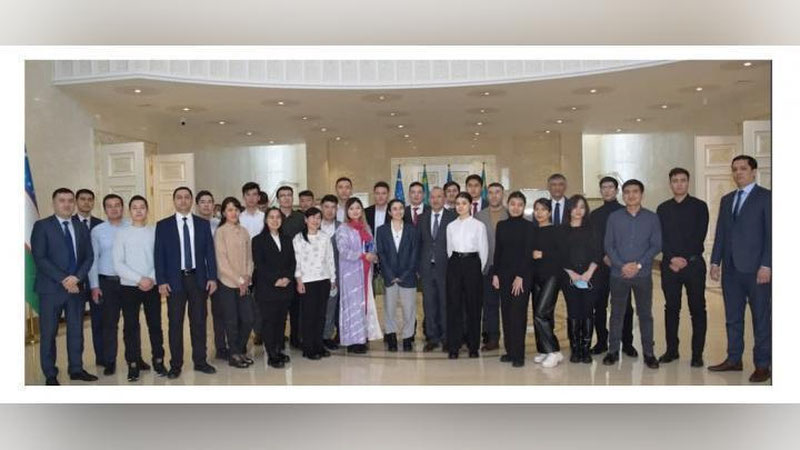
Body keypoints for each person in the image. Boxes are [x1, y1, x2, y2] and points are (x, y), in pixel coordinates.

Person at [708, 155, 771, 383]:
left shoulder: (767, 197)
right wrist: (715, 262)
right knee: (732, 318)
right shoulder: (727, 200)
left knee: (761, 319)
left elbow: (772, 234)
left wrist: (767, 264)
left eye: (743, 169)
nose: (738, 173)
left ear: (753, 171)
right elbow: (721, 233)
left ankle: (762, 365)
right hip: (731, 270)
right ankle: (734, 359)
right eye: (734, 169)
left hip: (757, 271)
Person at [31, 188, 97, 385]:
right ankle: (50, 374)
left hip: (76, 289)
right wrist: (64, 279)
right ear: (54, 203)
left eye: (70, 201)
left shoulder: (81, 227)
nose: (67, 204)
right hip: (50, 290)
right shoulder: (42, 226)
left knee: (76, 331)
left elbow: (89, 257)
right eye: (62, 201)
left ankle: (76, 369)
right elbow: (40, 258)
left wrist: (76, 278)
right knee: (49, 333)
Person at [154, 186, 218, 379]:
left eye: (186, 197)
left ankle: (200, 361)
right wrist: (161, 281)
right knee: (175, 324)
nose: (183, 200)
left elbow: (209, 253)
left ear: (191, 201)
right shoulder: (163, 225)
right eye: (179, 197)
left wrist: (212, 277)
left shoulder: (202, 224)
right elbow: (159, 255)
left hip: (198, 279)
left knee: (199, 322)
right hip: (174, 281)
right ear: (174, 201)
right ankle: (176, 365)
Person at [603, 179, 661, 369]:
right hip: (618, 275)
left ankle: (649, 353)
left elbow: (656, 245)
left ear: (641, 194)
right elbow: (608, 245)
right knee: (616, 314)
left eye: (635, 191)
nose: (631, 195)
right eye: (627, 192)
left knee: (645, 314)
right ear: (623, 195)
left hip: (642, 275)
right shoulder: (614, 218)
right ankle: (613, 351)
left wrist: (638, 265)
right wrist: (622, 266)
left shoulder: (652, 218)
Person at [656, 168, 709, 367]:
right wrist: (672, 258)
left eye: (683, 180)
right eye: (675, 181)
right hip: (670, 266)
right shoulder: (663, 208)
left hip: (694, 265)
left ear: (688, 182)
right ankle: (672, 350)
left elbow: (699, 235)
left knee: (697, 309)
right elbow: (660, 237)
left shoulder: (700, 206)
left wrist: (684, 259)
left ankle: (697, 354)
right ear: (670, 184)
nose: (679, 184)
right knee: (671, 308)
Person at [113, 195, 166, 381]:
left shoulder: (155, 231)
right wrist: (139, 279)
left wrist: (150, 278)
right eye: (134, 207)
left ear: (147, 210)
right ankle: (133, 363)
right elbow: (118, 263)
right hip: (129, 286)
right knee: (131, 327)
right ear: (130, 211)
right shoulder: (122, 233)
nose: (138, 210)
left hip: (152, 285)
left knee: (155, 325)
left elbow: (160, 258)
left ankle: (158, 360)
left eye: (142, 207)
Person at [589, 176, 636, 357]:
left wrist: (616, 259)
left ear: (617, 191)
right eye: (604, 187)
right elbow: (593, 241)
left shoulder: (626, 211)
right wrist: (603, 256)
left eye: (611, 187)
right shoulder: (594, 215)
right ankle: (601, 341)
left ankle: (628, 343)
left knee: (625, 306)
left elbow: (629, 240)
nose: (607, 190)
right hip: (600, 267)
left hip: (621, 266)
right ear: (600, 191)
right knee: (599, 306)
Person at [88, 194, 129, 376]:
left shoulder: (131, 226)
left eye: (117, 205)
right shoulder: (97, 231)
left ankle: (134, 358)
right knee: (109, 324)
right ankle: (109, 360)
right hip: (107, 283)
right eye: (109, 206)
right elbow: (93, 260)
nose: (114, 209)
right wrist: (94, 286)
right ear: (104, 209)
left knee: (132, 323)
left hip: (129, 282)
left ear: (122, 207)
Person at [335, 197, 383, 353]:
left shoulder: (366, 228)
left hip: (366, 272)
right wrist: (362, 255)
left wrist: (373, 256)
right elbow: (343, 250)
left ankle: (362, 338)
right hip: (351, 273)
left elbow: (371, 248)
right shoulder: (343, 229)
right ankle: (352, 341)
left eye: (358, 208)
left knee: (364, 305)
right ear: (347, 212)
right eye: (351, 208)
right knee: (353, 306)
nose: (355, 211)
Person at [492, 191, 534, 367]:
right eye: (513, 204)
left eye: (520, 204)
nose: (516, 208)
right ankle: (509, 351)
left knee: (518, 315)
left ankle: (519, 355)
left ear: (524, 207)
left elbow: (528, 253)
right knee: (506, 313)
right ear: (507, 205)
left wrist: (520, 276)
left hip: (521, 278)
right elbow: (498, 251)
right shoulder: (501, 225)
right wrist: (495, 274)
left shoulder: (529, 226)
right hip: (504, 275)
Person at [558, 195, 602, 364]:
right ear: (569, 209)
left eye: (582, 207)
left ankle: (585, 349)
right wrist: (572, 273)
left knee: (588, 311)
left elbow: (598, 252)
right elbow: (559, 254)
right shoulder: (561, 230)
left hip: (591, 277)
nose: (578, 211)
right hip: (569, 278)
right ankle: (575, 349)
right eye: (575, 207)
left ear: (586, 210)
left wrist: (589, 272)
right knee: (574, 311)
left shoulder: (592, 228)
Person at [214, 197, 256, 369]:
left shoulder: (244, 231)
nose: (233, 213)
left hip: (244, 283)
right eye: (229, 210)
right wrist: (239, 280)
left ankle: (238, 349)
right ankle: (234, 354)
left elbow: (249, 258)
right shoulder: (221, 232)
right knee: (231, 321)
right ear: (224, 213)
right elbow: (222, 262)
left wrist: (247, 277)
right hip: (227, 283)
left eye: (236, 210)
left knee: (248, 319)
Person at [446, 192, 488, 359]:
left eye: (464, 203)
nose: (460, 206)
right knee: (454, 306)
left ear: (470, 205)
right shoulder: (450, 226)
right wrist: (456, 263)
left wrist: (477, 269)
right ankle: (454, 346)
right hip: (455, 263)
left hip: (472, 264)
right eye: (457, 203)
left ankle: (473, 346)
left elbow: (483, 250)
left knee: (473, 307)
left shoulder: (479, 225)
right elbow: (449, 250)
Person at [253, 208, 296, 368]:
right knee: (269, 321)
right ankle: (271, 354)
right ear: (266, 220)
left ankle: (278, 350)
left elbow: (292, 262)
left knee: (281, 320)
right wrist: (275, 280)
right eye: (271, 217)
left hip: (285, 287)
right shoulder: (258, 240)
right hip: (267, 287)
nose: (275, 220)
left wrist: (287, 278)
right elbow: (260, 265)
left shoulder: (287, 239)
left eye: (278, 217)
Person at [293, 207, 337, 360]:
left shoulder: (324, 237)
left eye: (318, 218)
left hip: (323, 280)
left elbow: (330, 259)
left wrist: (332, 279)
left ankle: (319, 345)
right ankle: (308, 347)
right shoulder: (298, 238)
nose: (315, 220)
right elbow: (297, 261)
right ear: (306, 220)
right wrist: (299, 280)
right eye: (312, 217)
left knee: (321, 315)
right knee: (308, 316)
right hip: (307, 282)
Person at [376, 199, 420, 352]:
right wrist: (390, 274)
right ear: (389, 212)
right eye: (394, 209)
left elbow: (415, 254)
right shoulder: (381, 230)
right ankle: (391, 337)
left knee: (409, 310)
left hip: (408, 276)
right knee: (389, 309)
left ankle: (407, 337)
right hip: (389, 277)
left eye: (401, 208)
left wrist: (405, 274)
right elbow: (381, 253)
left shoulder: (412, 230)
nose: (398, 211)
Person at [418, 187, 456, 352]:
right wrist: (418, 267)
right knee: (429, 304)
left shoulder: (452, 217)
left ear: (444, 198)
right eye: (432, 197)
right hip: (426, 268)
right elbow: (418, 243)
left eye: (439, 197)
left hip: (446, 268)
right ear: (429, 199)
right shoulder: (422, 218)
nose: (435, 200)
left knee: (445, 303)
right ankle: (432, 338)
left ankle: (447, 338)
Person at [529, 198, 564, 368]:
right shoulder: (532, 231)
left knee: (541, 313)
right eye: (536, 209)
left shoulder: (557, 230)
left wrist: (543, 254)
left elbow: (563, 255)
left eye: (543, 209)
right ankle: (544, 349)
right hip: (536, 277)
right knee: (543, 314)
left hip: (552, 276)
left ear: (549, 212)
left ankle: (553, 351)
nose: (539, 212)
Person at [73, 188, 105, 368]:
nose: (86, 202)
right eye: (83, 199)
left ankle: (102, 357)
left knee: (99, 321)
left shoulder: (101, 225)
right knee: (76, 323)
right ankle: (77, 363)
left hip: (97, 282)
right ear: (77, 201)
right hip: (75, 281)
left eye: (90, 199)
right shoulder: (69, 223)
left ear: (93, 202)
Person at [196, 190, 227, 361]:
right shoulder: (192, 225)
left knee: (219, 312)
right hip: (199, 275)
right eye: (202, 202)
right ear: (197, 205)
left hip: (219, 274)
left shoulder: (219, 225)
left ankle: (221, 347)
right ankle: (201, 351)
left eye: (209, 201)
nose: (206, 205)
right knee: (200, 315)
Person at [476, 182, 507, 351]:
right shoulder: (479, 216)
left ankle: (511, 338)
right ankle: (492, 338)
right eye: (491, 192)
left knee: (508, 306)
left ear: (503, 194)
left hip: (507, 267)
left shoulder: (510, 213)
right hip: (487, 267)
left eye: (497, 192)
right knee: (490, 305)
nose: (494, 196)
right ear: (486, 195)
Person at [277, 185, 307, 349]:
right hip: (280, 269)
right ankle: (279, 338)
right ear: (278, 199)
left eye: (289, 195)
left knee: (298, 307)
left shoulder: (300, 217)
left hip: (298, 268)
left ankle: (297, 337)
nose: (286, 198)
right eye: (283, 195)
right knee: (280, 307)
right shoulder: (273, 216)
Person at [240, 182, 265, 347]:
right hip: (242, 266)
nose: (251, 198)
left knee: (260, 301)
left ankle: (259, 332)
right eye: (248, 194)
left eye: (254, 194)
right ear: (243, 197)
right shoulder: (238, 218)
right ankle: (243, 335)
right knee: (245, 301)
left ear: (258, 197)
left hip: (261, 266)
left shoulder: (265, 217)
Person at [319, 195, 342, 350]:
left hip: (337, 275)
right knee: (317, 308)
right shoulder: (313, 226)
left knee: (332, 308)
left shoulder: (342, 227)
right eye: (326, 207)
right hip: (316, 275)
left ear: (337, 209)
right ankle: (315, 336)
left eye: (333, 207)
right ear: (321, 208)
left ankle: (327, 336)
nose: (329, 210)